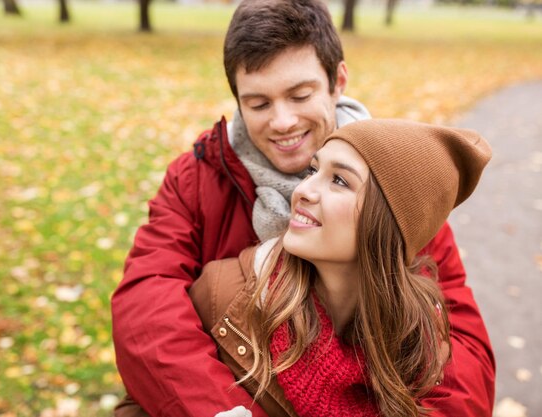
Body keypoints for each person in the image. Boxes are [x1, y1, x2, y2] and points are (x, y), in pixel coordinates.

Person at [111, 0, 495, 415]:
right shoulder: (199, 177)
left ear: (338, 81)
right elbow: (146, 301)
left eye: (300, 95)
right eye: (258, 104)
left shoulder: (398, 184)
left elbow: (460, 338)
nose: (282, 121)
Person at [188, 119, 492, 417]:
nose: (304, 190)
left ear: (386, 223)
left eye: (339, 181)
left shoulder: (419, 342)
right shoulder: (228, 295)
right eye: (313, 170)